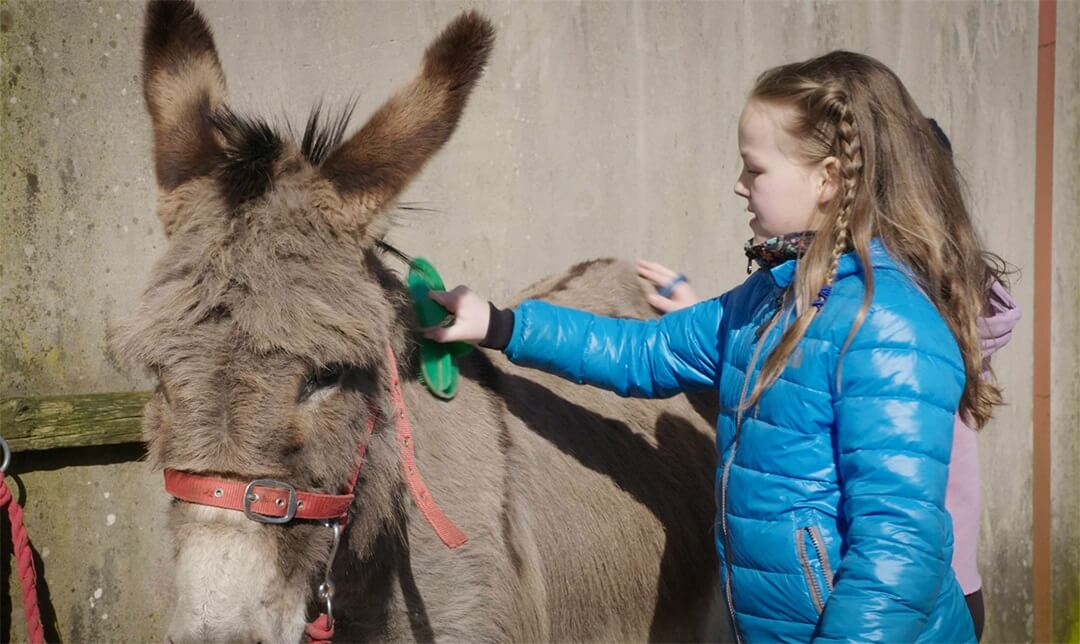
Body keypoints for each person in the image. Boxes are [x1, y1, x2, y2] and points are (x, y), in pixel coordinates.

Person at [425, 50, 1009, 641]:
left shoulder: (888, 328)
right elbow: (644, 353)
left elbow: (896, 556)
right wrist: (500, 326)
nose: (738, 186)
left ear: (828, 179)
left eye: (754, 170)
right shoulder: (764, 300)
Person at [636, 256, 1018, 642]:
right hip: (951, 592)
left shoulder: (888, 327)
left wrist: (730, 338)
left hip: (892, 598)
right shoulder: (943, 324)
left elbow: (797, 390)